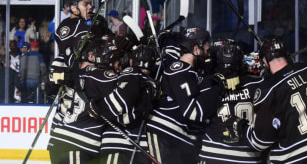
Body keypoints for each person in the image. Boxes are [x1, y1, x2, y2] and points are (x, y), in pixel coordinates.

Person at [236, 37, 307, 163]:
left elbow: (261, 142)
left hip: (297, 158)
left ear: (264, 61)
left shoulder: (268, 90)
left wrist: (243, 128)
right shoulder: (305, 69)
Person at [145, 27, 223, 164]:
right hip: (165, 134)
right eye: (206, 47)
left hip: (180, 138)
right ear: (195, 49)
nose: (209, 51)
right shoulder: (180, 70)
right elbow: (193, 112)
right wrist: (219, 88)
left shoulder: (192, 71)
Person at [47, 37, 119, 163]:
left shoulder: (68, 73)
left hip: (61, 140)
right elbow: (124, 86)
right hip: (77, 143)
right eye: (97, 51)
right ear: (91, 56)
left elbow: (49, 86)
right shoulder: (97, 75)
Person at [198, 40, 266, 164]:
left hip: (212, 153)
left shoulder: (208, 83)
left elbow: (198, 113)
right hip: (247, 156)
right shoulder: (257, 84)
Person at [89, 44, 158, 164]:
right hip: (140, 144)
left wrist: (99, 108)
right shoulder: (154, 84)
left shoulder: (131, 72)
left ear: (132, 61)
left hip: (117, 143)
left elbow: (122, 102)